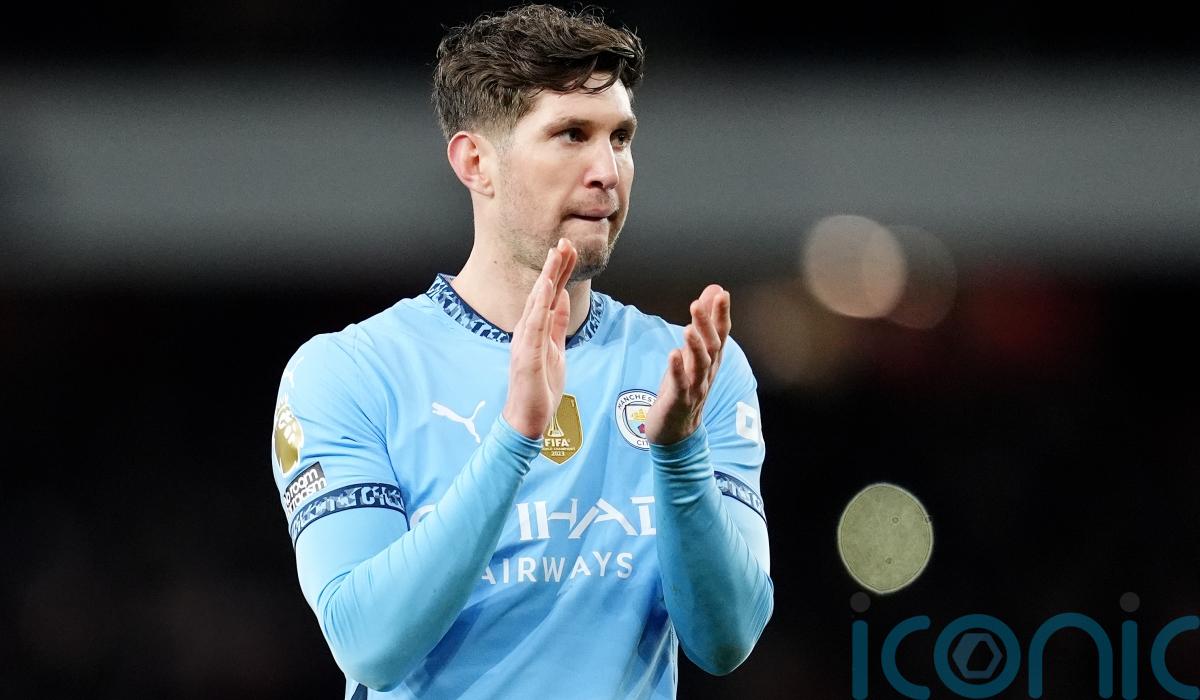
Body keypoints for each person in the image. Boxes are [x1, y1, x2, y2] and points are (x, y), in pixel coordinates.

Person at [270, 5, 772, 698]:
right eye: (572, 134)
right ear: (476, 162)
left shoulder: (690, 371)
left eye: (621, 137)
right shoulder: (350, 373)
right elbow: (369, 646)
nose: (608, 170)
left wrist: (680, 454)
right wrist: (514, 437)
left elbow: (726, 641)